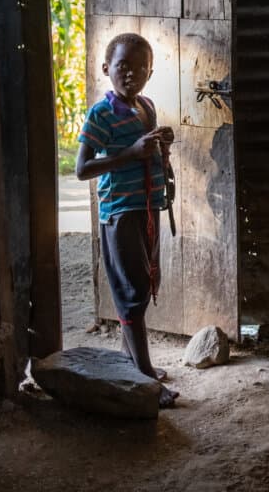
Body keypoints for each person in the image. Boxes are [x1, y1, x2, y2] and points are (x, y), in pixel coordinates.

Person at [76, 32, 178, 407]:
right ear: (107, 69)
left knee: (144, 281)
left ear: (150, 74)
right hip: (119, 212)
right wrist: (133, 152)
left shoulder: (145, 107)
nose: (131, 75)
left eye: (140, 68)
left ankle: (130, 363)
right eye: (123, 66)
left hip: (146, 208)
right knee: (131, 293)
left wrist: (161, 145)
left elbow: (147, 153)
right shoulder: (100, 114)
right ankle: (148, 380)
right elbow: (82, 167)